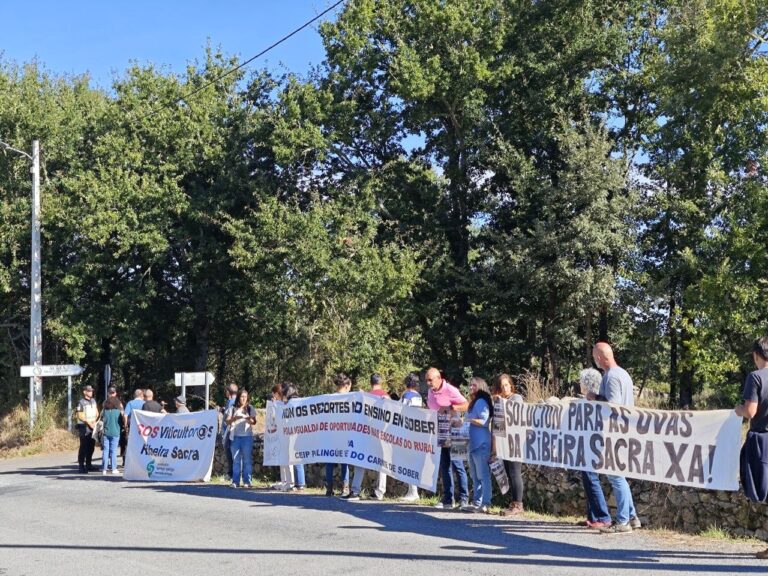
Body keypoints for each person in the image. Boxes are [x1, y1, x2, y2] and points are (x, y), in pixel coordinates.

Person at [589, 342, 641, 534]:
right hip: (624, 431)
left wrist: (594, 398)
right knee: (620, 475)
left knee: (615, 475)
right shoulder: (623, 374)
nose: (595, 360)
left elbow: (613, 404)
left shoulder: (611, 377)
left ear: (601, 357)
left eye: (595, 356)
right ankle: (632, 517)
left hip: (614, 432)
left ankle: (623, 521)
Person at [736, 337, 768, 559]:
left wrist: (738, 409)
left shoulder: (755, 377)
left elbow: (750, 411)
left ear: (756, 355)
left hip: (763, 441)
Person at [426, 367, 469, 509]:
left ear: (438, 378)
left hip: (455, 431)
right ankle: (448, 499)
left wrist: (451, 409)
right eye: (427, 380)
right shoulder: (430, 391)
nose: (428, 383)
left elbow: (466, 404)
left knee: (458, 465)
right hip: (441, 432)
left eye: (430, 380)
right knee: (445, 466)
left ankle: (464, 498)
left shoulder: (450, 390)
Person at [343, 373, 389, 501]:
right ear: (381, 382)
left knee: (360, 461)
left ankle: (355, 491)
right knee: (382, 464)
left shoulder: (365, 397)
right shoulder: (386, 397)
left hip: (366, 434)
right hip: (381, 435)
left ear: (370, 382)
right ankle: (380, 492)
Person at [577, 368, 612, 529]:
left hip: (593, 443)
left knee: (591, 477)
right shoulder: (589, 399)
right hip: (587, 442)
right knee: (587, 477)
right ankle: (592, 516)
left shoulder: (595, 399)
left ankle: (603, 517)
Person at [492, 373, 525, 516]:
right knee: (509, 472)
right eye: (502, 386)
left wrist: (501, 403)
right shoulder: (499, 400)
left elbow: (515, 414)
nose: (505, 388)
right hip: (504, 441)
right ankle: (514, 502)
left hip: (515, 441)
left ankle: (518, 504)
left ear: (511, 385)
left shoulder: (516, 398)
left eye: (507, 385)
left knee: (515, 472)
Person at [460, 377, 493, 513]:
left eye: (474, 385)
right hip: (472, 444)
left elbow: (484, 421)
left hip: (481, 444)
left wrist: (468, 419)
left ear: (480, 386)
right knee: (475, 475)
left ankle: (485, 503)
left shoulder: (480, 401)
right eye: (470, 385)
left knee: (483, 475)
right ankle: (477, 502)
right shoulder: (474, 402)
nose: (471, 387)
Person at [325, 373, 351, 496]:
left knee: (329, 461)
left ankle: (329, 488)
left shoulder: (329, 398)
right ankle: (345, 488)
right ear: (346, 385)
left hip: (331, 433)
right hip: (344, 434)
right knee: (344, 461)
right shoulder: (349, 399)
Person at [226, 388, 257, 488]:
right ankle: (235, 481)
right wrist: (234, 418)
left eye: (245, 397)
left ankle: (247, 481)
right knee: (236, 459)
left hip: (247, 437)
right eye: (242, 397)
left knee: (247, 459)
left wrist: (249, 420)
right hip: (235, 437)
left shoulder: (250, 408)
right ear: (238, 397)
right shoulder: (233, 408)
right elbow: (227, 421)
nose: (243, 399)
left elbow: (254, 421)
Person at [399, 372, 423, 502]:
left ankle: (413, 492)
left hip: (407, 432)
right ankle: (412, 490)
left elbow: (399, 410)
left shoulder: (407, 395)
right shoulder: (418, 396)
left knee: (408, 462)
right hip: (417, 431)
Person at [280, 381, 306, 492]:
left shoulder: (290, 404)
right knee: (298, 459)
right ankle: (299, 482)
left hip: (293, 435)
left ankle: (299, 483)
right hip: (301, 434)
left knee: (296, 459)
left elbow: (285, 420)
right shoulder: (300, 403)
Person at [75, 384, 99, 473]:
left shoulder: (93, 400)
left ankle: (89, 464)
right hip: (84, 426)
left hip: (93, 425)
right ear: (85, 392)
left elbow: (96, 413)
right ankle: (81, 465)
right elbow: (80, 415)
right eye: (89, 391)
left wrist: (94, 421)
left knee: (91, 446)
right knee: (83, 447)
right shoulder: (81, 402)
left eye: (92, 391)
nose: (91, 392)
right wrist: (89, 423)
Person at [101, 392, 123, 475]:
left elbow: (101, 419)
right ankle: (114, 468)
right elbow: (122, 420)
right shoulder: (117, 411)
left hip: (106, 432)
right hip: (115, 432)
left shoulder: (104, 411)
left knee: (105, 450)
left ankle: (104, 469)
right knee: (113, 451)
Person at [220, 384, 239, 481]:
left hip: (229, 431)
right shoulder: (235, 401)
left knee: (230, 453)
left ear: (228, 392)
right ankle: (232, 474)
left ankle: (231, 474)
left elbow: (229, 417)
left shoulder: (231, 402)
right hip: (232, 430)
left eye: (226, 391)